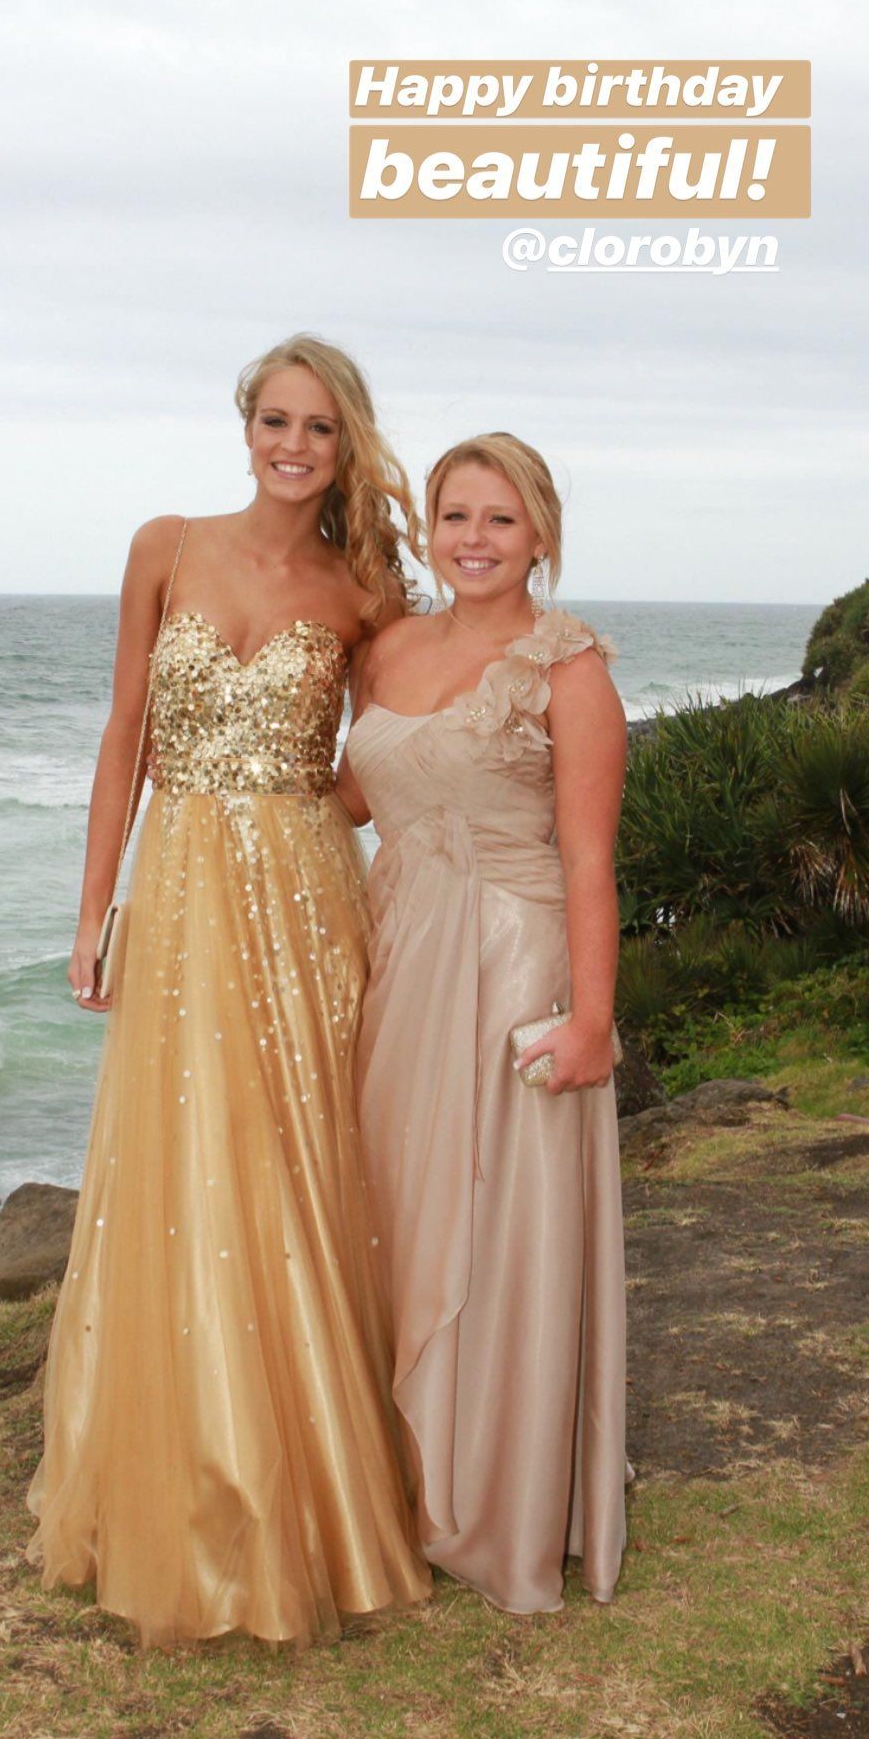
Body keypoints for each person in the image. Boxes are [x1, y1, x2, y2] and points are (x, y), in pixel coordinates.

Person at [26, 334, 432, 1648]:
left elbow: (387, 752)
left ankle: (316, 1486)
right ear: (245, 426)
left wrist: (311, 804)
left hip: (306, 900)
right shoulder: (166, 546)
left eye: (319, 427)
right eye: (275, 420)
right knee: (187, 1164)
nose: (293, 446)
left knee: (304, 1164)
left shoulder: (363, 592)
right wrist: (95, 910)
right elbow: (124, 738)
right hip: (184, 891)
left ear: (345, 444)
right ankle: (193, 1481)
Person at [338, 431, 631, 1614]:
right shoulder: (388, 648)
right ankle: (404, 1479)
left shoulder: (568, 666)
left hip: (512, 963)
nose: (473, 538)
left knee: (499, 1221)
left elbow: (589, 854)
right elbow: (354, 791)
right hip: (398, 956)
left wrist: (592, 1018)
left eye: (499, 518)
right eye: (455, 514)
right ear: (429, 527)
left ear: (539, 534)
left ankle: (498, 1498)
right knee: (399, 1208)